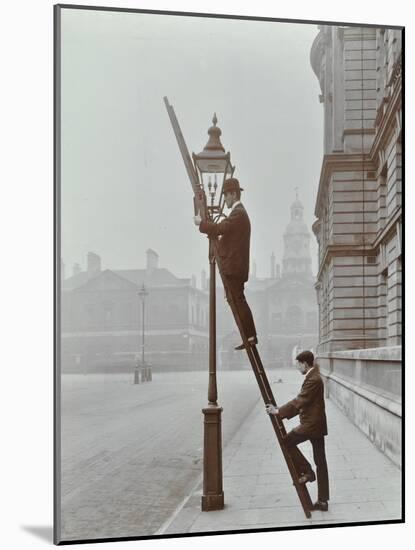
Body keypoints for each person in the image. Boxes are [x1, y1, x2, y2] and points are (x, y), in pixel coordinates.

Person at [193, 177, 257, 350]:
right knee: (236, 300)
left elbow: (221, 228)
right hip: (236, 267)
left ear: (233, 194)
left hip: (234, 268)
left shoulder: (238, 214)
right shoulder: (239, 214)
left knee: (238, 300)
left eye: (226, 196)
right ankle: (248, 335)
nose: (225, 199)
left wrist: (202, 224)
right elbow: (228, 235)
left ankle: (250, 336)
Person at [265, 350, 329, 511]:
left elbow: (300, 400)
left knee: (286, 442)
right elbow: (303, 402)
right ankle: (323, 501)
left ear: (304, 363)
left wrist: (278, 412)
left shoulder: (313, 379)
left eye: (297, 365)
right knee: (321, 462)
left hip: (311, 425)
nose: (297, 368)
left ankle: (307, 472)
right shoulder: (314, 377)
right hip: (316, 424)